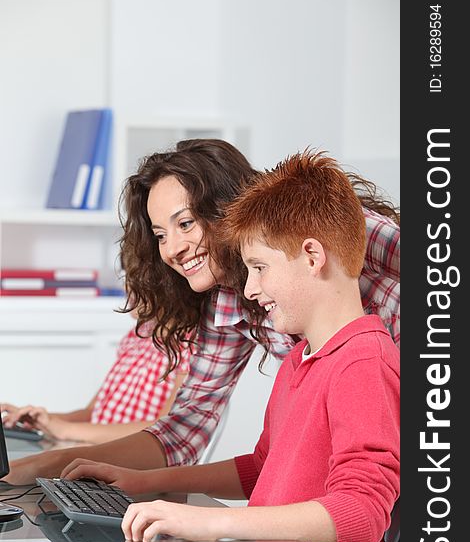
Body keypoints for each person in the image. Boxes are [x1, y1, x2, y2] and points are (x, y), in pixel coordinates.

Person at [62, 150, 400, 542]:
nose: (250, 290)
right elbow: (262, 466)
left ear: (314, 257)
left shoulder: (364, 361)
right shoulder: (299, 360)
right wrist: (143, 483)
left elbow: (363, 512)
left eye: (258, 267)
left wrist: (211, 523)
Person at [4, 139, 399, 485]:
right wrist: (50, 463)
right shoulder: (231, 303)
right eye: (160, 235)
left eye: (186, 223)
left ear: (225, 209)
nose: (172, 248)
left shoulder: (341, 230)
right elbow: (183, 431)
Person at [1, 319, 189, 445]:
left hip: (128, 456)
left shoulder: (187, 342)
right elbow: (92, 412)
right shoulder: (138, 335)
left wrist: (65, 429)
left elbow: (163, 428)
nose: (128, 289)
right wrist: (44, 420)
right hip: (94, 447)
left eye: (134, 280)